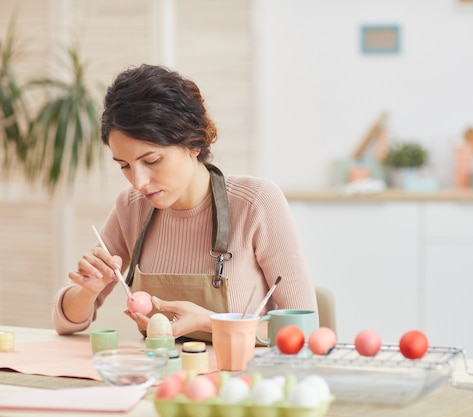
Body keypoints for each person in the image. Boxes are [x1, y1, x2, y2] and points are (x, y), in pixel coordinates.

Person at [52, 64, 317, 341]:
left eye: (152, 160)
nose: (138, 182)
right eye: (124, 166)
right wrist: (88, 290)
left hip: (238, 377)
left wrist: (213, 323)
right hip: (160, 377)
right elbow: (66, 324)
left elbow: (303, 330)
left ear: (194, 144)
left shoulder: (256, 203)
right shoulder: (131, 207)